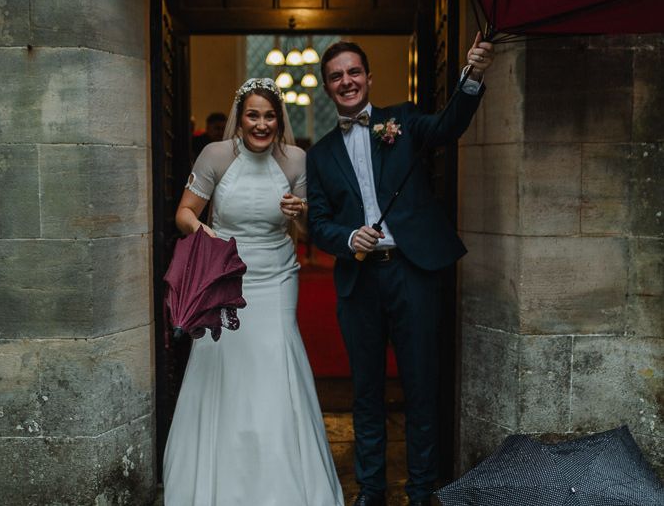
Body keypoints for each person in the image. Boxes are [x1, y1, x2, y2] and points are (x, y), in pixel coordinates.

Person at [306, 34, 495, 506]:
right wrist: (349, 239)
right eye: (336, 76)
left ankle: (421, 488)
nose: (346, 81)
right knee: (366, 391)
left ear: (368, 77)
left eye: (354, 72)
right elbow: (318, 222)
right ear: (327, 88)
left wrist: (471, 76)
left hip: (413, 272)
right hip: (359, 281)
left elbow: (450, 125)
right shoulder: (321, 153)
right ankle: (371, 490)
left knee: (420, 385)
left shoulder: (403, 120)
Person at [163, 78, 343, 506]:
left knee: (273, 359)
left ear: (279, 120)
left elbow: (304, 228)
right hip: (225, 275)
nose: (261, 124)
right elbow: (184, 213)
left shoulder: (296, 160)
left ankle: (283, 480)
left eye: (269, 116)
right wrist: (208, 236)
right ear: (239, 119)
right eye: (253, 115)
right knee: (225, 362)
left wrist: (300, 213)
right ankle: (218, 477)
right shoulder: (216, 156)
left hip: (277, 276)